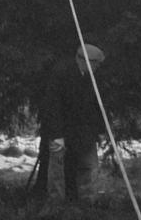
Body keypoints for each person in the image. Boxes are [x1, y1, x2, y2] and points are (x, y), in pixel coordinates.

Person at [40, 43, 106, 204]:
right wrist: (57, 135)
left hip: (84, 129)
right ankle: (56, 203)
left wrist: (99, 130)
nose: (98, 67)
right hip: (61, 129)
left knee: (89, 165)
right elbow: (52, 106)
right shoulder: (61, 73)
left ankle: (87, 202)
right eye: (95, 63)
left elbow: (95, 106)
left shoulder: (94, 77)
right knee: (57, 166)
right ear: (84, 61)